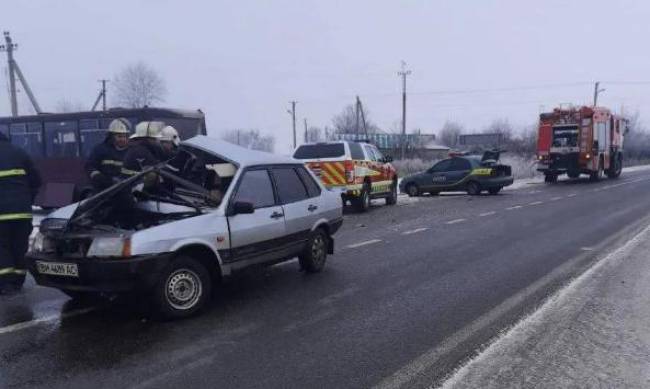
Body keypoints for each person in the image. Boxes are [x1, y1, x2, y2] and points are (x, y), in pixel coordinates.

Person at [0, 132, 41, 295]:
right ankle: (18, 281)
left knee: (2, 247)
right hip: (22, 212)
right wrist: (27, 198)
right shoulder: (20, 152)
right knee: (19, 246)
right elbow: (37, 180)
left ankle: (6, 284)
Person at [85, 118, 131, 192]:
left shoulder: (131, 151)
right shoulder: (100, 149)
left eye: (125, 136)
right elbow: (90, 167)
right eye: (119, 136)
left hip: (126, 191)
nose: (123, 139)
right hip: (104, 192)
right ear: (111, 136)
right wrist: (100, 178)